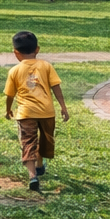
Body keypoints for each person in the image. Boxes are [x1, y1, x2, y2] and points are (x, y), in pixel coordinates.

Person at [4, 30, 70, 192]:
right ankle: (40, 165)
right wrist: (63, 107)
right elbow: (56, 87)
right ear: (37, 49)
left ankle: (32, 175)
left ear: (15, 52)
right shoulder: (46, 66)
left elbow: (9, 95)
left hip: (26, 114)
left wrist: (8, 110)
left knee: (28, 143)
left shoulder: (14, 71)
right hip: (47, 113)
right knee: (44, 141)